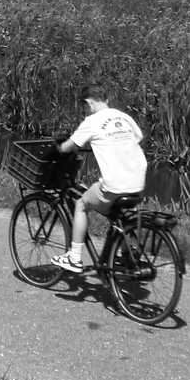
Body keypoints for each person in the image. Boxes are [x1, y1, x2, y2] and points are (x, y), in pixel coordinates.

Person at [51, 84, 148, 273]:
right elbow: (137, 138)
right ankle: (127, 252)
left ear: (89, 103)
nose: (85, 112)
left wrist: (58, 148)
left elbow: (68, 146)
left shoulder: (92, 121)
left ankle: (74, 258)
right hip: (138, 183)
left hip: (115, 185)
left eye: (84, 108)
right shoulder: (124, 117)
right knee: (117, 215)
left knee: (81, 204)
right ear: (106, 99)